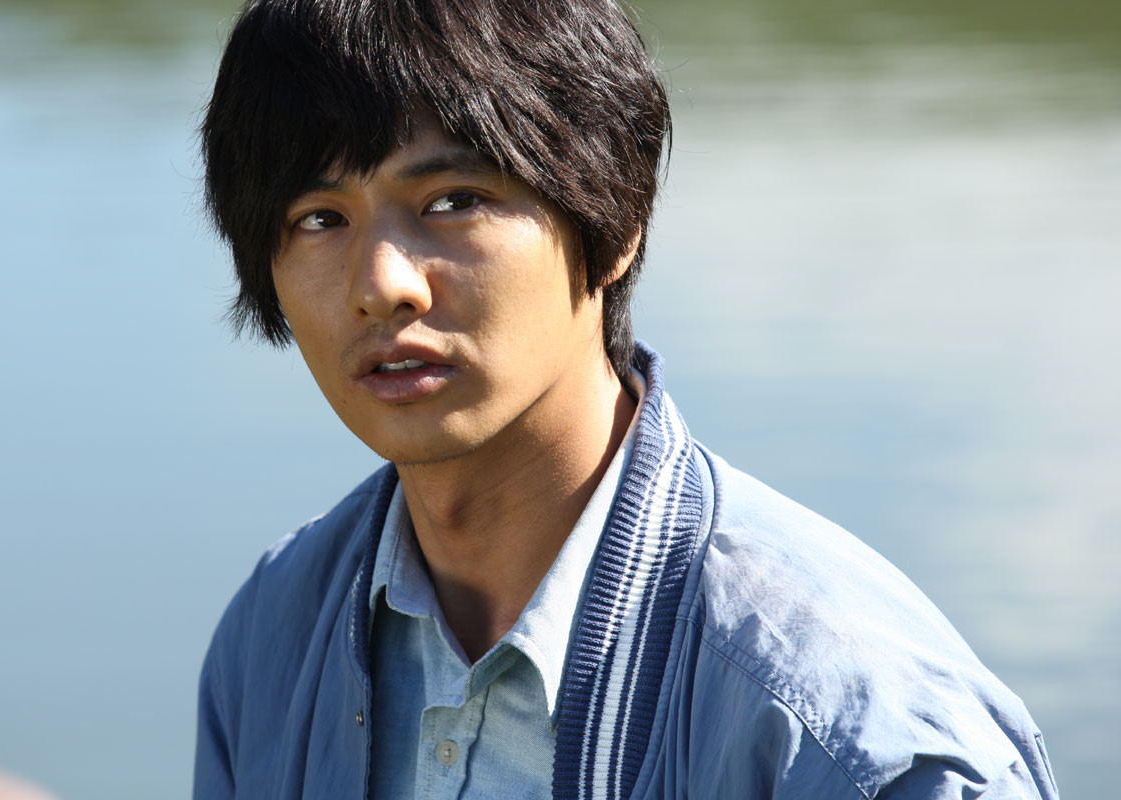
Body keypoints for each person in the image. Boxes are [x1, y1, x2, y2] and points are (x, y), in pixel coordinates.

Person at [193, 0, 1059, 797]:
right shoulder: (275, 635)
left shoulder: (839, 726)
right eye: (319, 218)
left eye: (453, 201)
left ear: (615, 222)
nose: (382, 285)